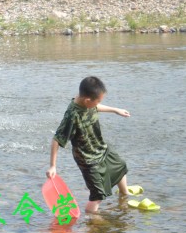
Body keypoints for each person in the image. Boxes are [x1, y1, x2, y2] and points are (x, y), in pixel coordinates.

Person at [47, 76, 132, 214]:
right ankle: (92, 220)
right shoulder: (72, 116)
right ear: (87, 100)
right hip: (88, 160)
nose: (98, 104)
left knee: (120, 166)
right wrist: (53, 166)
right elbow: (56, 140)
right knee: (97, 195)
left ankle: (124, 195)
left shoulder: (87, 102)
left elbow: (96, 106)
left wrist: (115, 110)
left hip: (100, 148)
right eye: (98, 101)